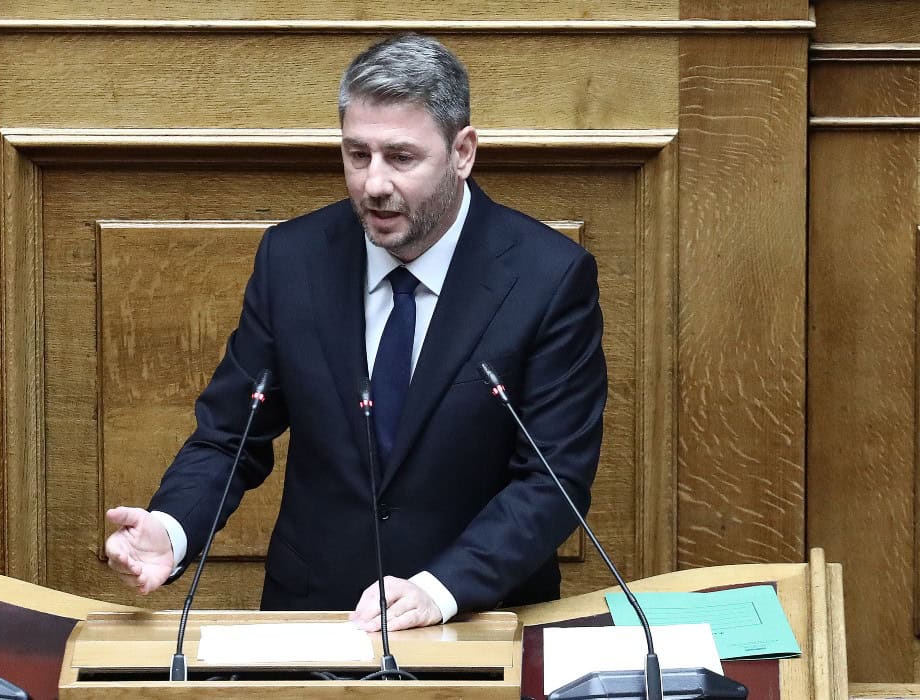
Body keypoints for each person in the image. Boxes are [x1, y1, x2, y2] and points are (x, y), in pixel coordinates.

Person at [104, 33, 606, 633]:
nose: (373, 184)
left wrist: (440, 589)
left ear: (463, 152)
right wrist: (172, 528)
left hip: (477, 619)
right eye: (357, 154)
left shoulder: (547, 278)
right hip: (317, 620)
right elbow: (230, 435)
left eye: (401, 157)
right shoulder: (293, 260)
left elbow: (552, 480)